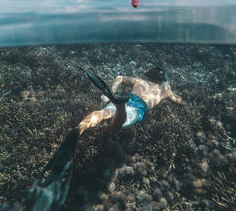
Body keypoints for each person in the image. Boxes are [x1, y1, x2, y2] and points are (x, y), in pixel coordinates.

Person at [25, 67, 184, 210]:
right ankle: (118, 106)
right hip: (137, 108)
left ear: (149, 75)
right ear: (162, 80)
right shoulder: (165, 91)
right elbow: (179, 102)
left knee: (101, 114)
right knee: (117, 126)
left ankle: (79, 129)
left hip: (128, 97)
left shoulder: (139, 81)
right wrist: (172, 95)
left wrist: (110, 92)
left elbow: (120, 77)